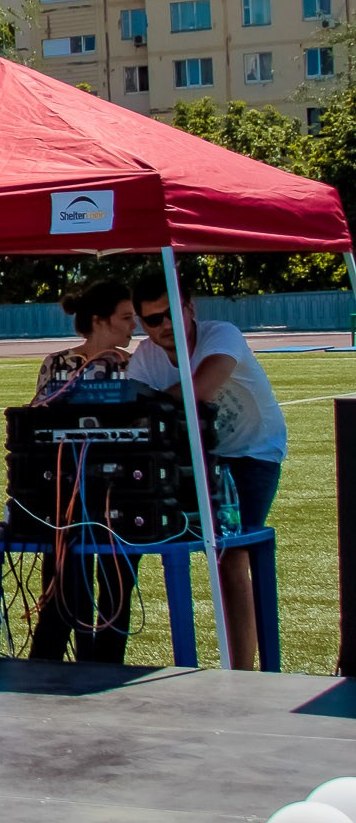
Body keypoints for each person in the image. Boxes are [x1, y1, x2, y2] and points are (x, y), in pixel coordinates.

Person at [126, 272, 288, 670]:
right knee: (157, 543)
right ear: (141, 322)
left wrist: (147, 407)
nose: (165, 325)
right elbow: (130, 416)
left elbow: (200, 389)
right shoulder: (144, 357)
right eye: (153, 319)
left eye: (172, 313)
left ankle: (241, 672)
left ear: (190, 307)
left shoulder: (222, 334)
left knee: (231, 555)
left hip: (252, 453)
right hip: (189, 457)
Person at [26, 278, 140, 664]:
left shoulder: (136, 365)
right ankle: (44, 674)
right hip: (65, 498)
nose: (134, 326)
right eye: (125, 317)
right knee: (63, 595)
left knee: (116, 593)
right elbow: (37, 426)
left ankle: (105, 671)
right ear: (99, 320)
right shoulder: (57, 364)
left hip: (120, 495)